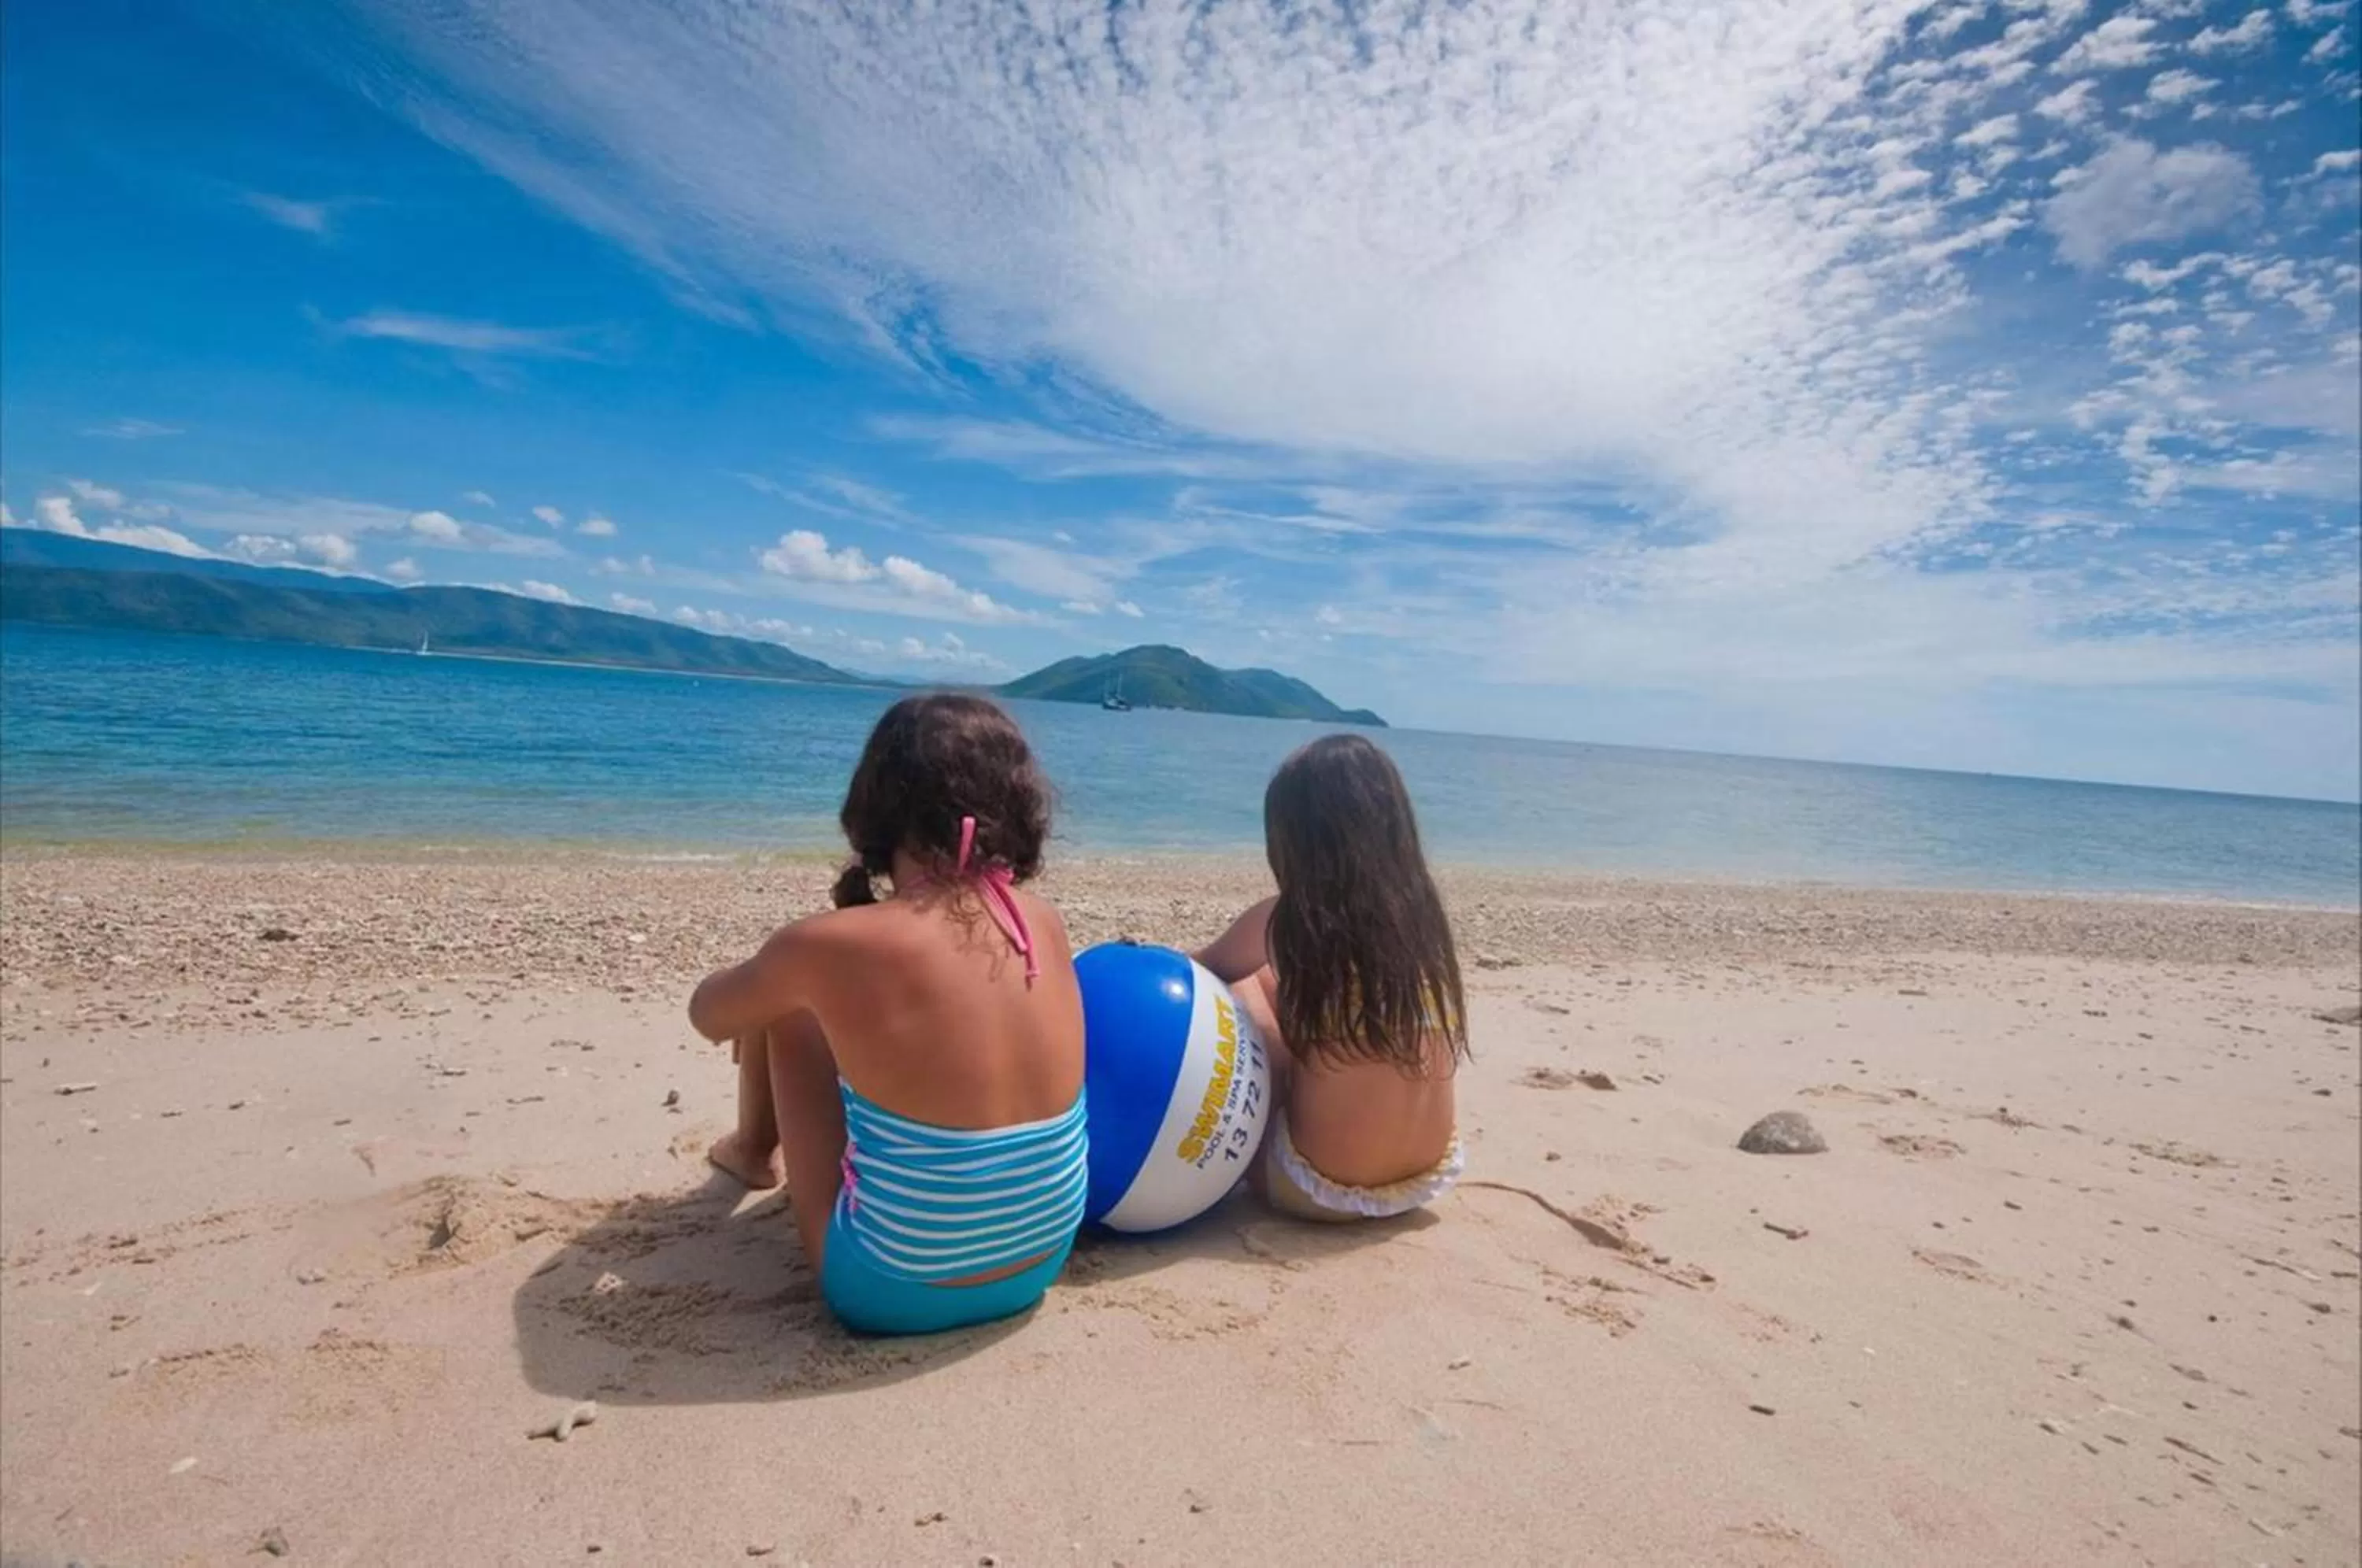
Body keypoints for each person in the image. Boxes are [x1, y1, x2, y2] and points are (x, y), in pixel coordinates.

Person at [687, 694, 1087, 1335]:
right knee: (825, 998)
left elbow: (708, 1017)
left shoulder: (831, 946)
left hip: (888, 1288)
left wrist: (767, 976)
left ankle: (751, 1151)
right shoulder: (1040, 922)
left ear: (876, 803)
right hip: (1037, 1264)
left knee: (791, 1007)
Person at [1194, 733, 1468, 1222]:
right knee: (1307, 1001)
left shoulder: (1289, 920)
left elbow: (1206, 967)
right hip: (1425, 1179)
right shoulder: (1422, 923)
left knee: (1242, 987)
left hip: (1316, 1187)